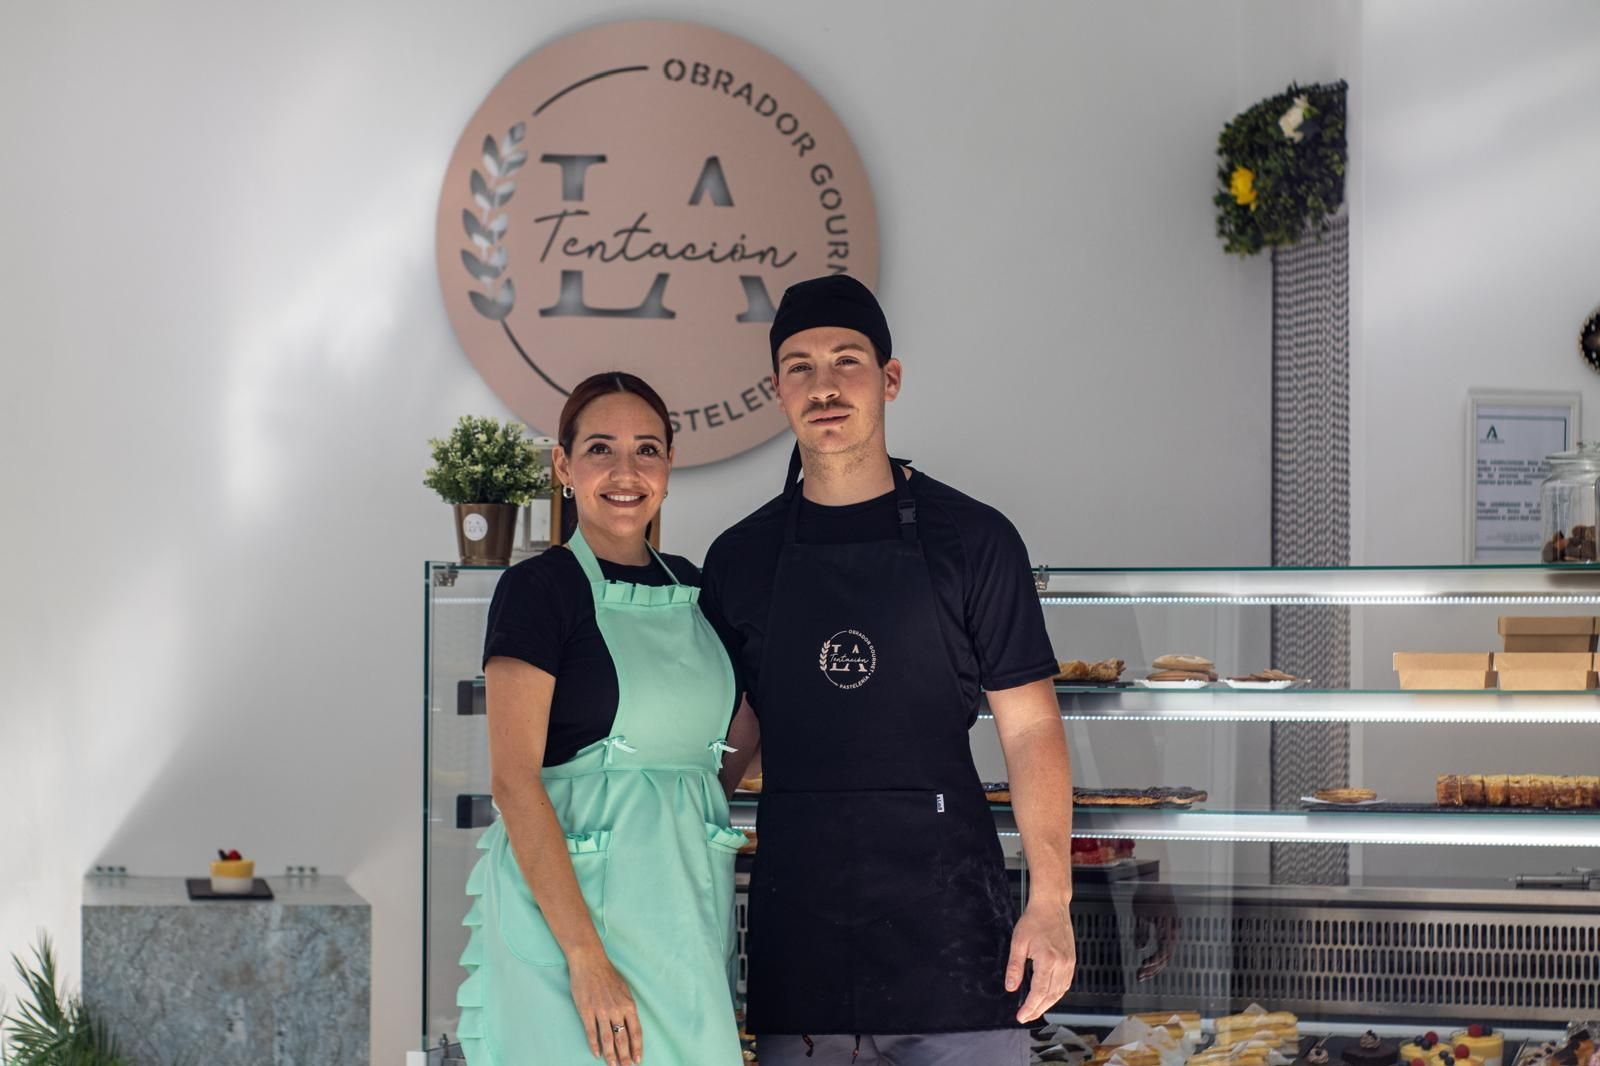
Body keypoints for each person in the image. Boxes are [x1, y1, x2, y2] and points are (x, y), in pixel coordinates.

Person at [702, 276, 1078, 1066]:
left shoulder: (975, 541)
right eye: (800, 367)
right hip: (798, 944)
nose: (825, 385)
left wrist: (1051, 900)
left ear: (890, 379)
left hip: (955, 948)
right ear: (778, 391)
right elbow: (732, 734)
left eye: (848, 360)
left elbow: (1034, 725)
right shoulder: (740, 559)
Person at [457, 372, 744, 1066]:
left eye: (647, 450)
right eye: (600, 450)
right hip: (568, 927)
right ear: (563, 466)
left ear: (669, 468)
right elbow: (514, 782)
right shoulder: (537, 590)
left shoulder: (699, 589)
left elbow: (726, 748)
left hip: (680, 918)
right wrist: (586, 960)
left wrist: (685, 818)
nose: (626, 472)